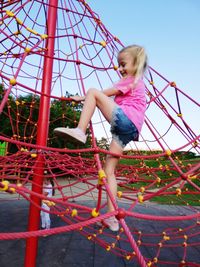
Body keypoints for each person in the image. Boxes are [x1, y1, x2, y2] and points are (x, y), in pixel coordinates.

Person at [54, 44, 148, 231]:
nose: (120, 69)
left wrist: (83, 97)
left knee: (93, 91)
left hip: (126, 120)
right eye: (119, 65)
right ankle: (112, 216)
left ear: (136, 63)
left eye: (123, 64)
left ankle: (80, 131)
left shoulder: (132, 78)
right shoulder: (137, 83)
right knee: (109, 171)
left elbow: (105, 93)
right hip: (128, 131)